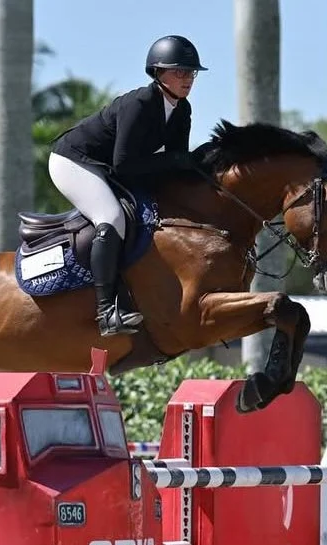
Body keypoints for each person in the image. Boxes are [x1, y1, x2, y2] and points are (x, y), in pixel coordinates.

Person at [49, 35, 207, 336]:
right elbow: (126, 165)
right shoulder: (139, 104)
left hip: (109, 169)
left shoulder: (182, 111)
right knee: (111, 218)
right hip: (74, 161)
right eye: (179, 71)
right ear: (158, 73)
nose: (187, 79)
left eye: (191, 72)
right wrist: (178, 160)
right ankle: (106, 311)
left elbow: (173, 166)